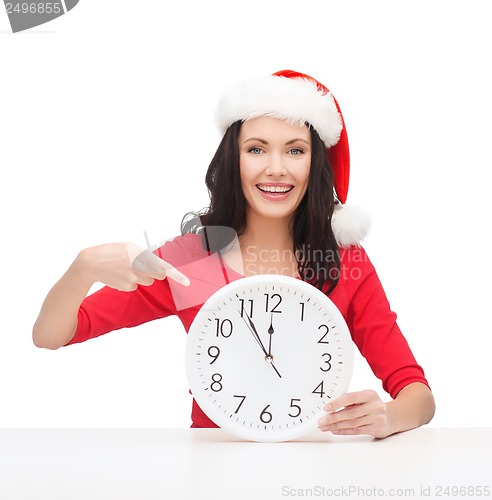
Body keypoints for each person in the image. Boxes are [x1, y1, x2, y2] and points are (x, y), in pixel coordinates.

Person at [32, 69, 435, 438]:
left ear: (315, 164)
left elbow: (417, 393)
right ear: (233, 161)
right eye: (257, 149)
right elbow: (51, 335)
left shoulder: (345, 262)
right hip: (212, 470)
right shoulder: (190, 262)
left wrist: (388, 416)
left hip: (316, 463)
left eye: (295, 151)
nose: (276, 168)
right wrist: (83, 267)